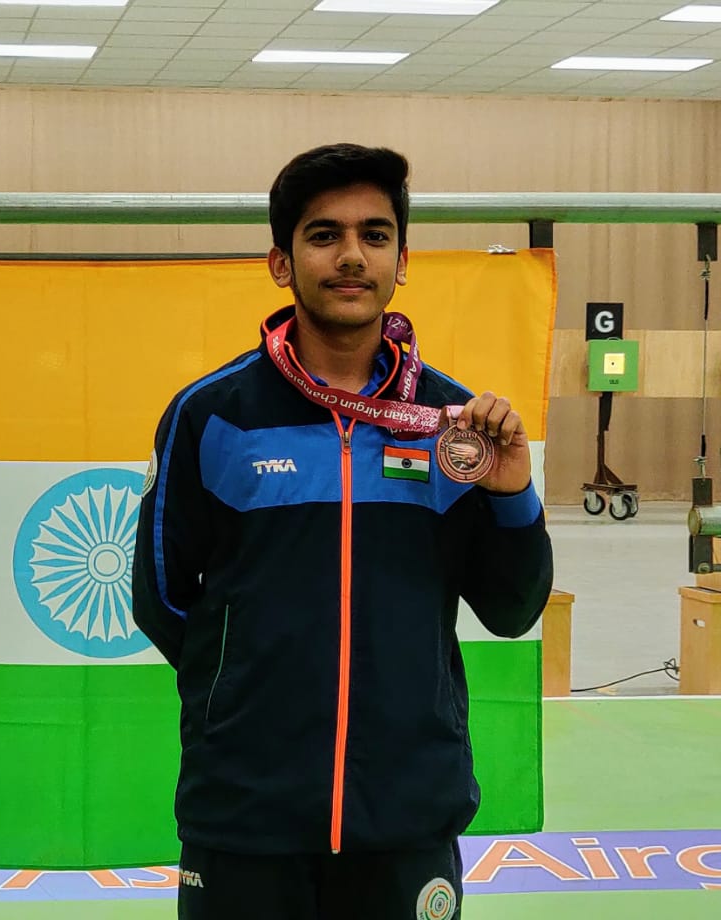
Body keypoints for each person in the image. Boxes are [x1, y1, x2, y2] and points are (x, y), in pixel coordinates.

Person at [131, 143, 554, 919]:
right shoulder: (211, 415)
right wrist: (244, 698)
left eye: (375, 235)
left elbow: (512, 609)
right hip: (245, 815)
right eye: (324, 235)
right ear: (281, 263)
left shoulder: (451, 425)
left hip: (406, 814)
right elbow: (160, 597)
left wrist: (512, 494)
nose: (352, 255)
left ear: (402, 261)